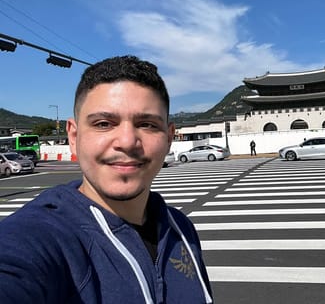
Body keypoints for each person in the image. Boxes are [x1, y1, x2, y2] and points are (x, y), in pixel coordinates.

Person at [0, 56, 213, 304]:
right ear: (74, 136)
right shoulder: (39, 237)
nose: (126, 141)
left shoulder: (181, 228)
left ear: (168, 137)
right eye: (103, 124)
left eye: (146, 124)